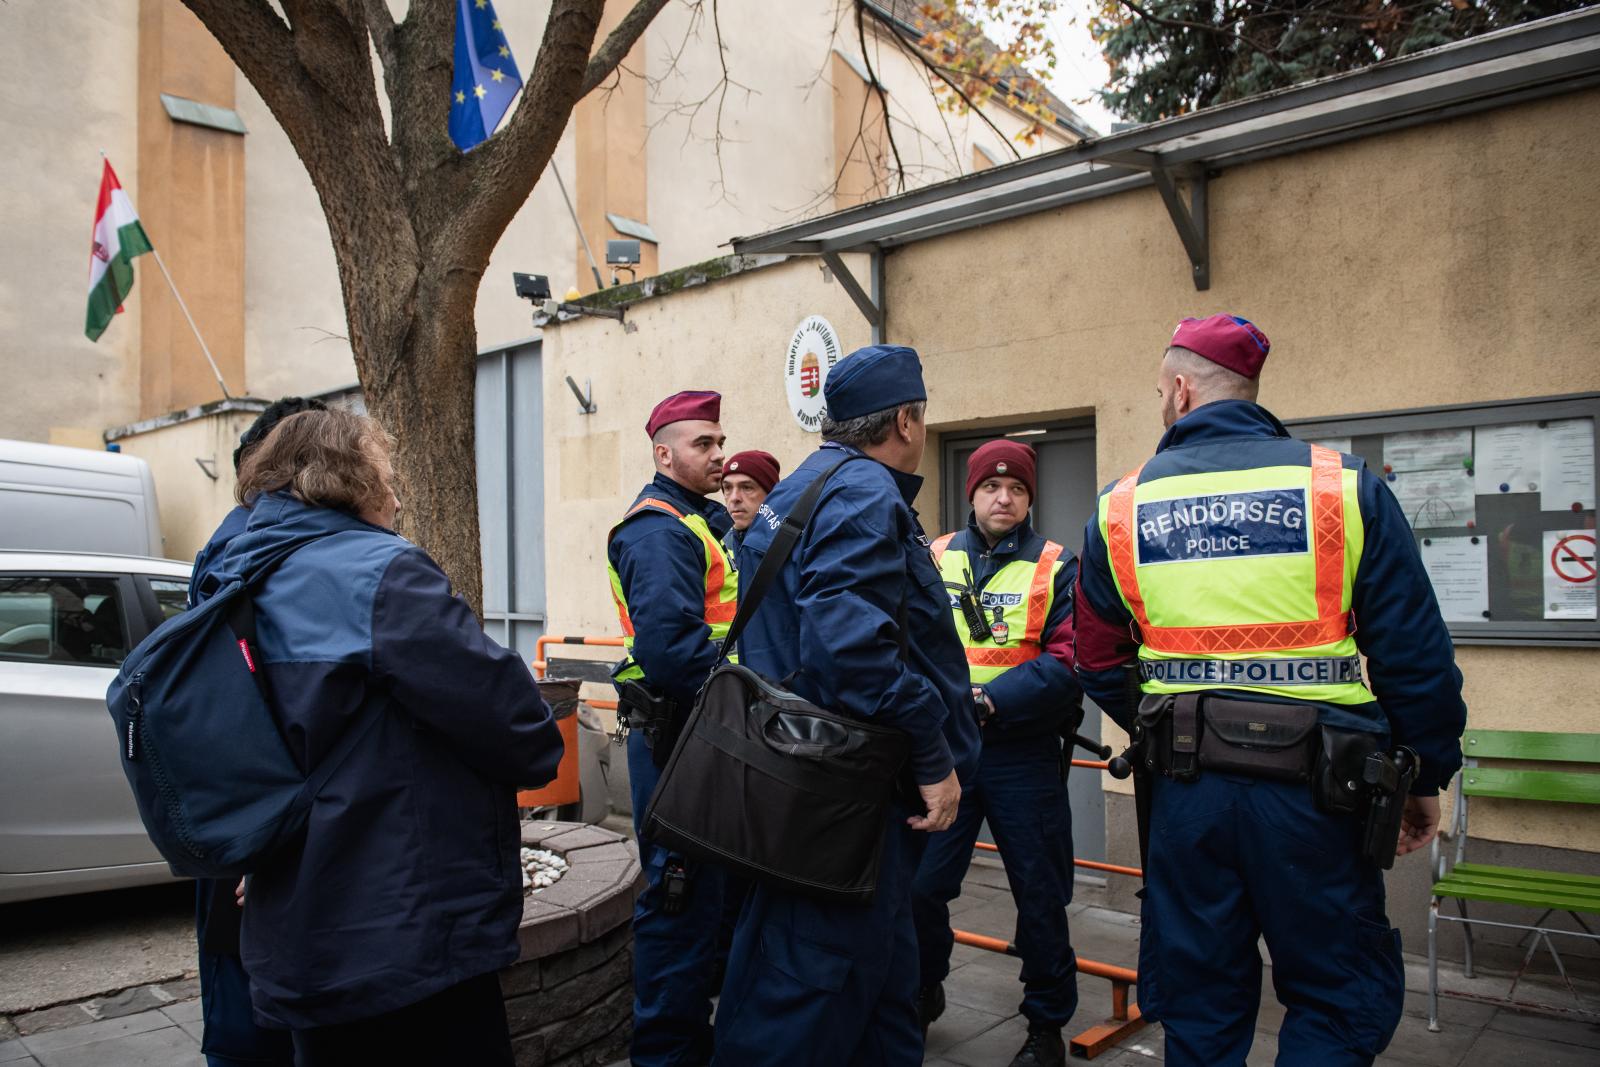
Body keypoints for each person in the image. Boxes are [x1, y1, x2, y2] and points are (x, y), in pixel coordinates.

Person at [1074, 314, 1467, 1066]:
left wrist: (1168, 719)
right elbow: (1414, 657)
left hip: (1188, 790)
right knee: (1334, 994)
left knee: (1200, 1001)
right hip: (1324, 795)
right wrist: (1427, 770)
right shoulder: (1341, 487)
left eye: (1161, 392)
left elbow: (1096, 659)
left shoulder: (1119, 506)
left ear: (1182, 390)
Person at [197, 408, 563, 1065]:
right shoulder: (381, 572)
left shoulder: (235, 574)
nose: (396, 496)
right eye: (387, 477)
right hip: (402, 930)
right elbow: (521, 728)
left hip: (299, 930)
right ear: (350, 480)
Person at [716, 345, 980, 1066]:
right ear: (905, 419)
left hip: (817, 788)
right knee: (803, 998)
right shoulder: (864, 492)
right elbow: (849, 648)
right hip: (844, 800)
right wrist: (933, 750)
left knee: (885, 996)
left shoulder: (805, 483)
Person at [911, 439, 1081, 1067]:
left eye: (1015, 489)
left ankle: (1046, 1025)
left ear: (1030, 497)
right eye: (990, 487)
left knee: (1039, 894)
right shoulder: (932, 556)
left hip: (1020, 754)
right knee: (923, 887)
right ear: (972, 493)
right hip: (945, 753)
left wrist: (988, 701)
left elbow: (1070, 662)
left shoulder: (1058, 566)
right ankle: (923, 988)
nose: (1002, 498)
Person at [188, 395, 325, 1067]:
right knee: (253, 1020)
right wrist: (257, 846)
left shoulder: (243, 540)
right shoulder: (247, 554)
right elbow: (238, 711)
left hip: (246, 827)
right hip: (254, 831)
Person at [606, 390, 737, 1066]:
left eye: (720, 441)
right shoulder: (659, 529)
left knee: (703, 903)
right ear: (664, 453)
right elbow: (673, 652)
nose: (719, 454)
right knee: (678, 900)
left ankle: (690, 1042)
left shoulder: (701, 519)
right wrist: (765, 691)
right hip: (680, 741)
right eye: (703, 444)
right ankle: (664, 1053)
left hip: (703, 739)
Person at [720, 449, 780, 551]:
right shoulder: (718, 546)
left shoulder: (792, 546)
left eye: (747, 487)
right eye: (728, 488)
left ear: (771, 494)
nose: (734, 498)